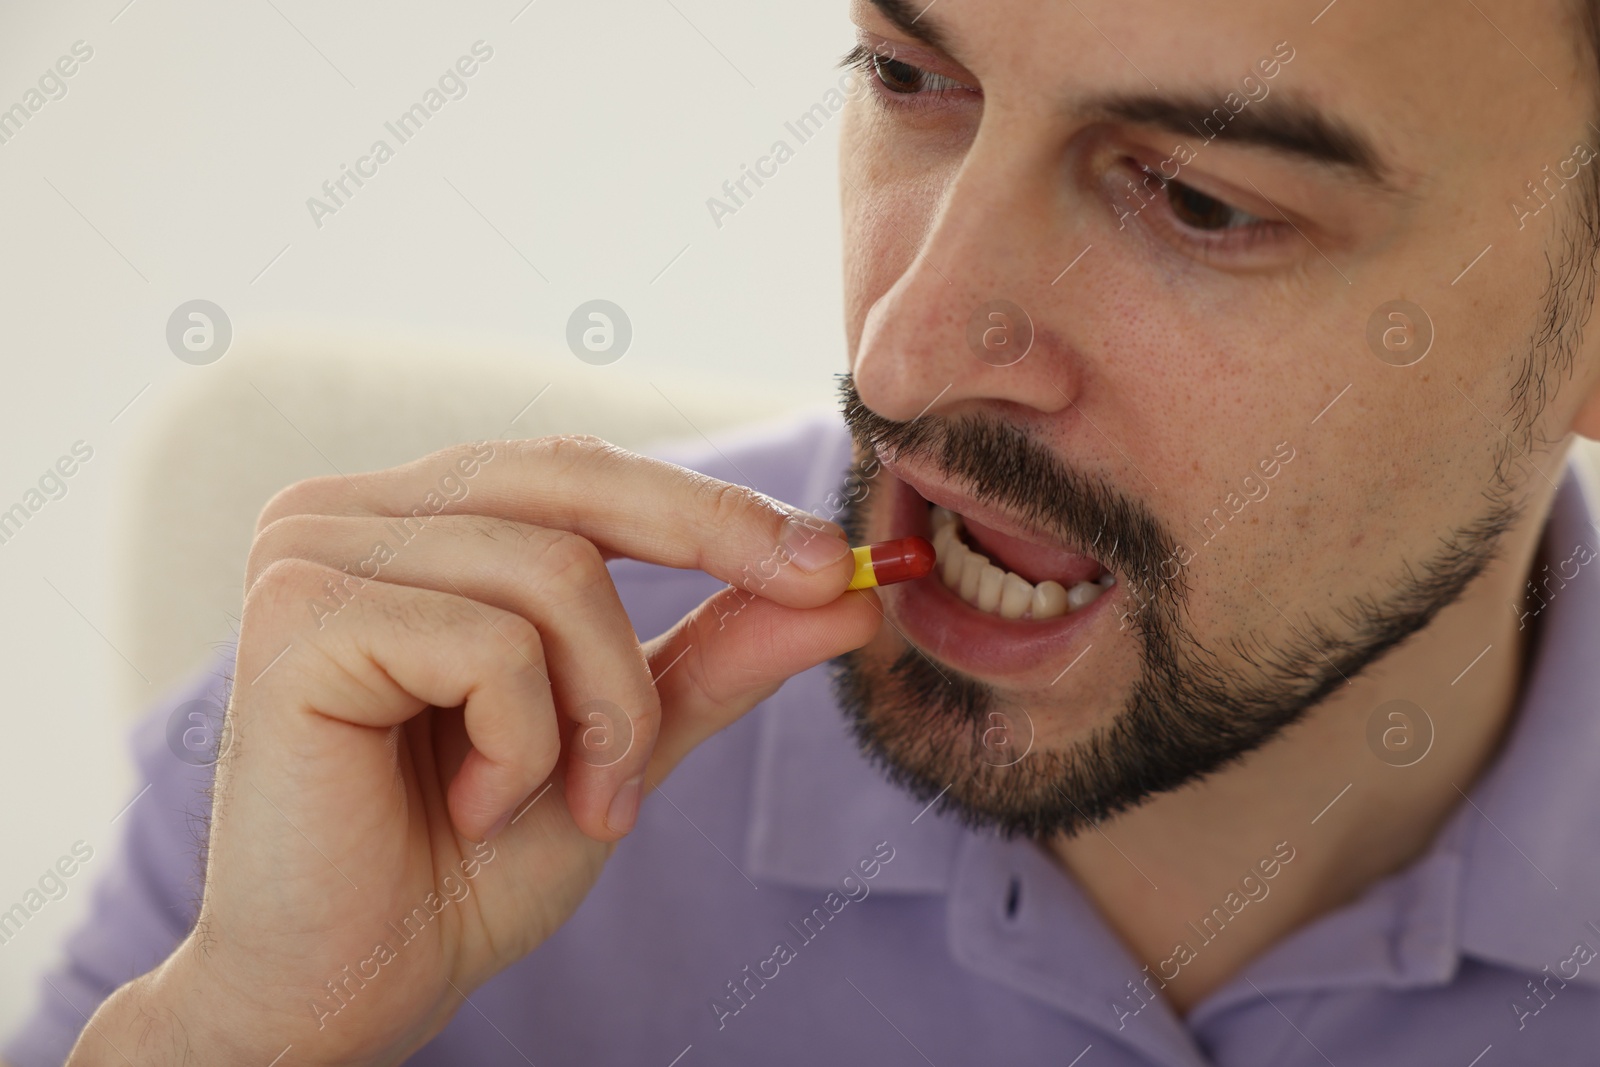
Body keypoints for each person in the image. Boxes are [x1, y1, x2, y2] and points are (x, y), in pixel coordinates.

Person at [11, 0, 1600, 1062]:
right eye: (914, 82)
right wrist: (237, 1035)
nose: (901, 357)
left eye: (1197, 200)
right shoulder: (383, 753)